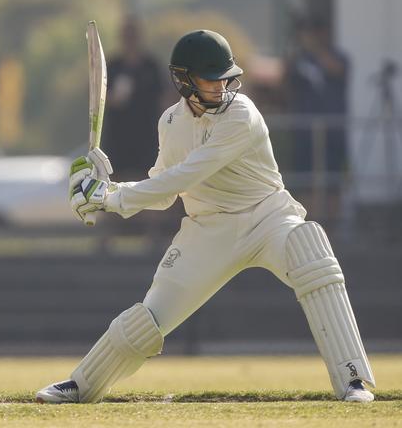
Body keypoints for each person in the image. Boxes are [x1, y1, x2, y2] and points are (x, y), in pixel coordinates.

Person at [36, 30, 375, 403]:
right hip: (207, 230)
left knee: (310, 249)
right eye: (212, 79)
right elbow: (164, 191)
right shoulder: (170, 123)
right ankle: (81, 385)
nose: (223, 86)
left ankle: (353, 380)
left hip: (268, 216)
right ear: (184, 81)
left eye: (225, 77)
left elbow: (188, 174)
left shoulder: (241, 114)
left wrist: (111, 197)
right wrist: (108, 190)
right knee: (147, 320)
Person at [284, 16, 349, 218]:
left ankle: (332, 229)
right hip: (304, 130)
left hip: (333, 130)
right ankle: (309, 226)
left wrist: (315, 50)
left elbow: (337, 69)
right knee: (306, 180)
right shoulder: (299, 59)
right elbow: (284, 84)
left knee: (332, 181)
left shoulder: (340, 57)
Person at [102, 17, 164, 182]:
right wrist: (112, 99)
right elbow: (97, 99)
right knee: (113, 192)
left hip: (147, 141)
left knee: (148, 191)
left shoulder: (151, 67)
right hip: (117, 142)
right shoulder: (113, 66)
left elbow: (164, 98)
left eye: (133, 36)